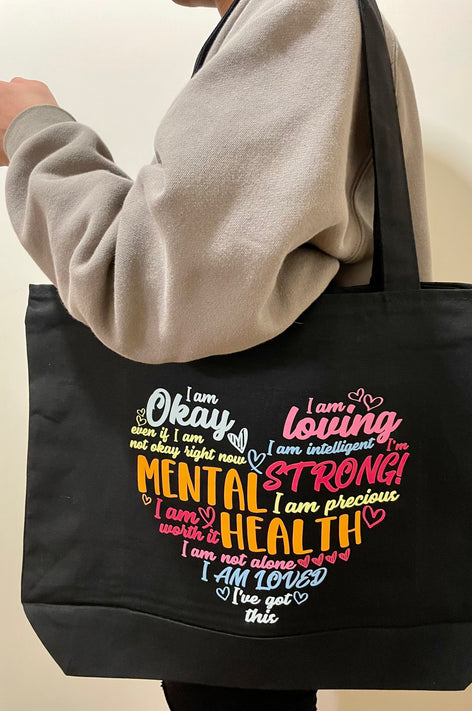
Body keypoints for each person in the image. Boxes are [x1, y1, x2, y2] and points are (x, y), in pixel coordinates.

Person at [0, 0, 432, 708]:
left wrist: (34, 131)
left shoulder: (304, 12)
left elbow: (139, 283)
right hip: (268, 516)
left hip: (241, 531)